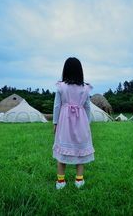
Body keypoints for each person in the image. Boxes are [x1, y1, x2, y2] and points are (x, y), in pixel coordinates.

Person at [52, 57, 95, 189]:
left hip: (64, 122)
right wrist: (87, 122)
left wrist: (55, 123)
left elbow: (57, 106)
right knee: (80, 150)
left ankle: (60, 182)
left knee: (62, 151)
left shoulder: (61, 87)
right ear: (80, 71)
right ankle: (79, 180)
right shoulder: (85, 88)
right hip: (81, 121)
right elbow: (87, 107)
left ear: (65, 70)